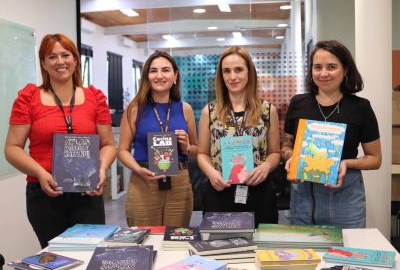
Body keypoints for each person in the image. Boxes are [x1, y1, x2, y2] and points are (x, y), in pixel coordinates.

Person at [4, 34, 116, 248]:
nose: (60, 62)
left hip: (87, 192)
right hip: (44, 195)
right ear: (44, 63)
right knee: (55, 259)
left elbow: (109, 144)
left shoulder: (95, 98)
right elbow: (12, 148)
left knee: (90, 255)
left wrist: (101, 170)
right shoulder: (29, 99)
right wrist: (40, 173)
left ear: (75, 59)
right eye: (52, 56)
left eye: (65, 55)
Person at [281, 40, 382, 228]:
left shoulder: (360, 107)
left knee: (346, 253)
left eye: (332, 67)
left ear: (345, 70)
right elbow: (286, 146)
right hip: (303, 197)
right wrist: (292, 157)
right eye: (317, 67)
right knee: (305, 255)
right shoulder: (298, 103)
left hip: (345, 199)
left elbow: (375, 159)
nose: (324, 73)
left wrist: (345, 162)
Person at [197, 46, 281, 227]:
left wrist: (266, 166)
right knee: (219, 249)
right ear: (221, 77)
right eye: (226, 71)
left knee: (260, 249)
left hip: (259, 192)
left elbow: (275, 152)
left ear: (249, 72)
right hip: (220, 190)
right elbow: (202, 153)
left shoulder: (267, 110)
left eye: (238, 70)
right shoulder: (210, 111)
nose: (232, 76)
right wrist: (211, 173)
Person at [118, 50, 198, 227]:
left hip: (179, 183)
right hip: (143, 181)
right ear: (147, 76)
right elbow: (122, 151)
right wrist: (137, 170)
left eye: (166, 70)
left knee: (175, 242)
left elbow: (197, 151)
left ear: (175, 75)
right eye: (153, 71)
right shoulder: (133, 109)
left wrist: (187, 148)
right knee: (144, 241)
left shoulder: (185, 109)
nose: (159, 75)